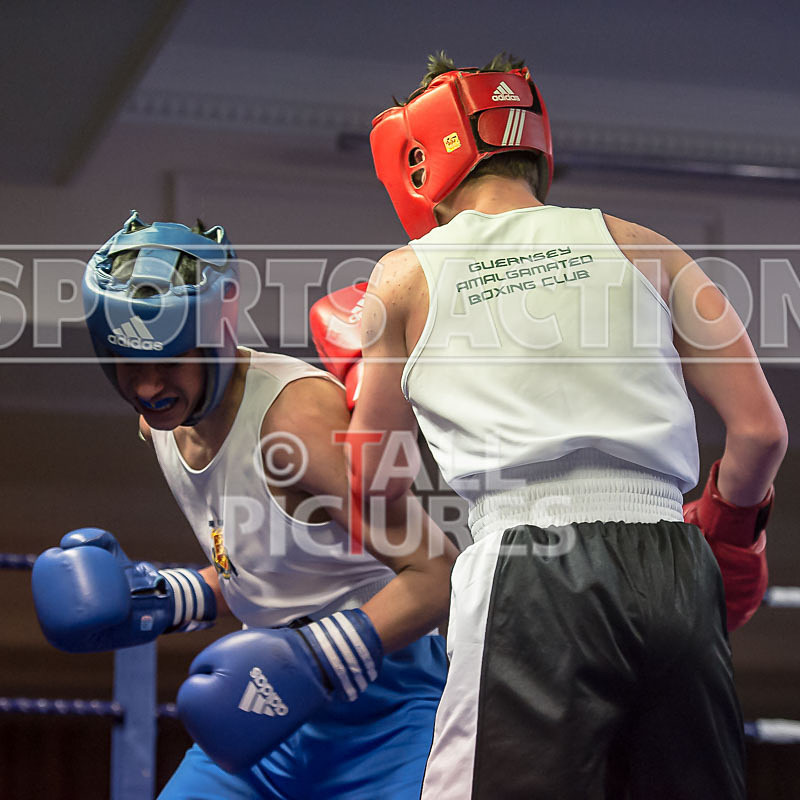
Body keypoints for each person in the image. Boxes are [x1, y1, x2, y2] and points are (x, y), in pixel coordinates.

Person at [347, 53, 787, 799]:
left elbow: (370, 483)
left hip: (529, 563)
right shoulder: (643, 245)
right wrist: (729, 533)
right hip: (674, 566)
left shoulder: (403, 277)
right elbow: (762, 432)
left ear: (421, 156)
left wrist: (370, 402)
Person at [32, 211, 458, 799]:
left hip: (387, 714)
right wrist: (171, 596)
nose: (150, 387)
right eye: (130, 366)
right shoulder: (161, 420)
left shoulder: (295, 422)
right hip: (268, 704)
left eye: (168, 362)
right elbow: (271, 564)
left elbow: (438, 571)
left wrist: (316, 657)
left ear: (217, 338)